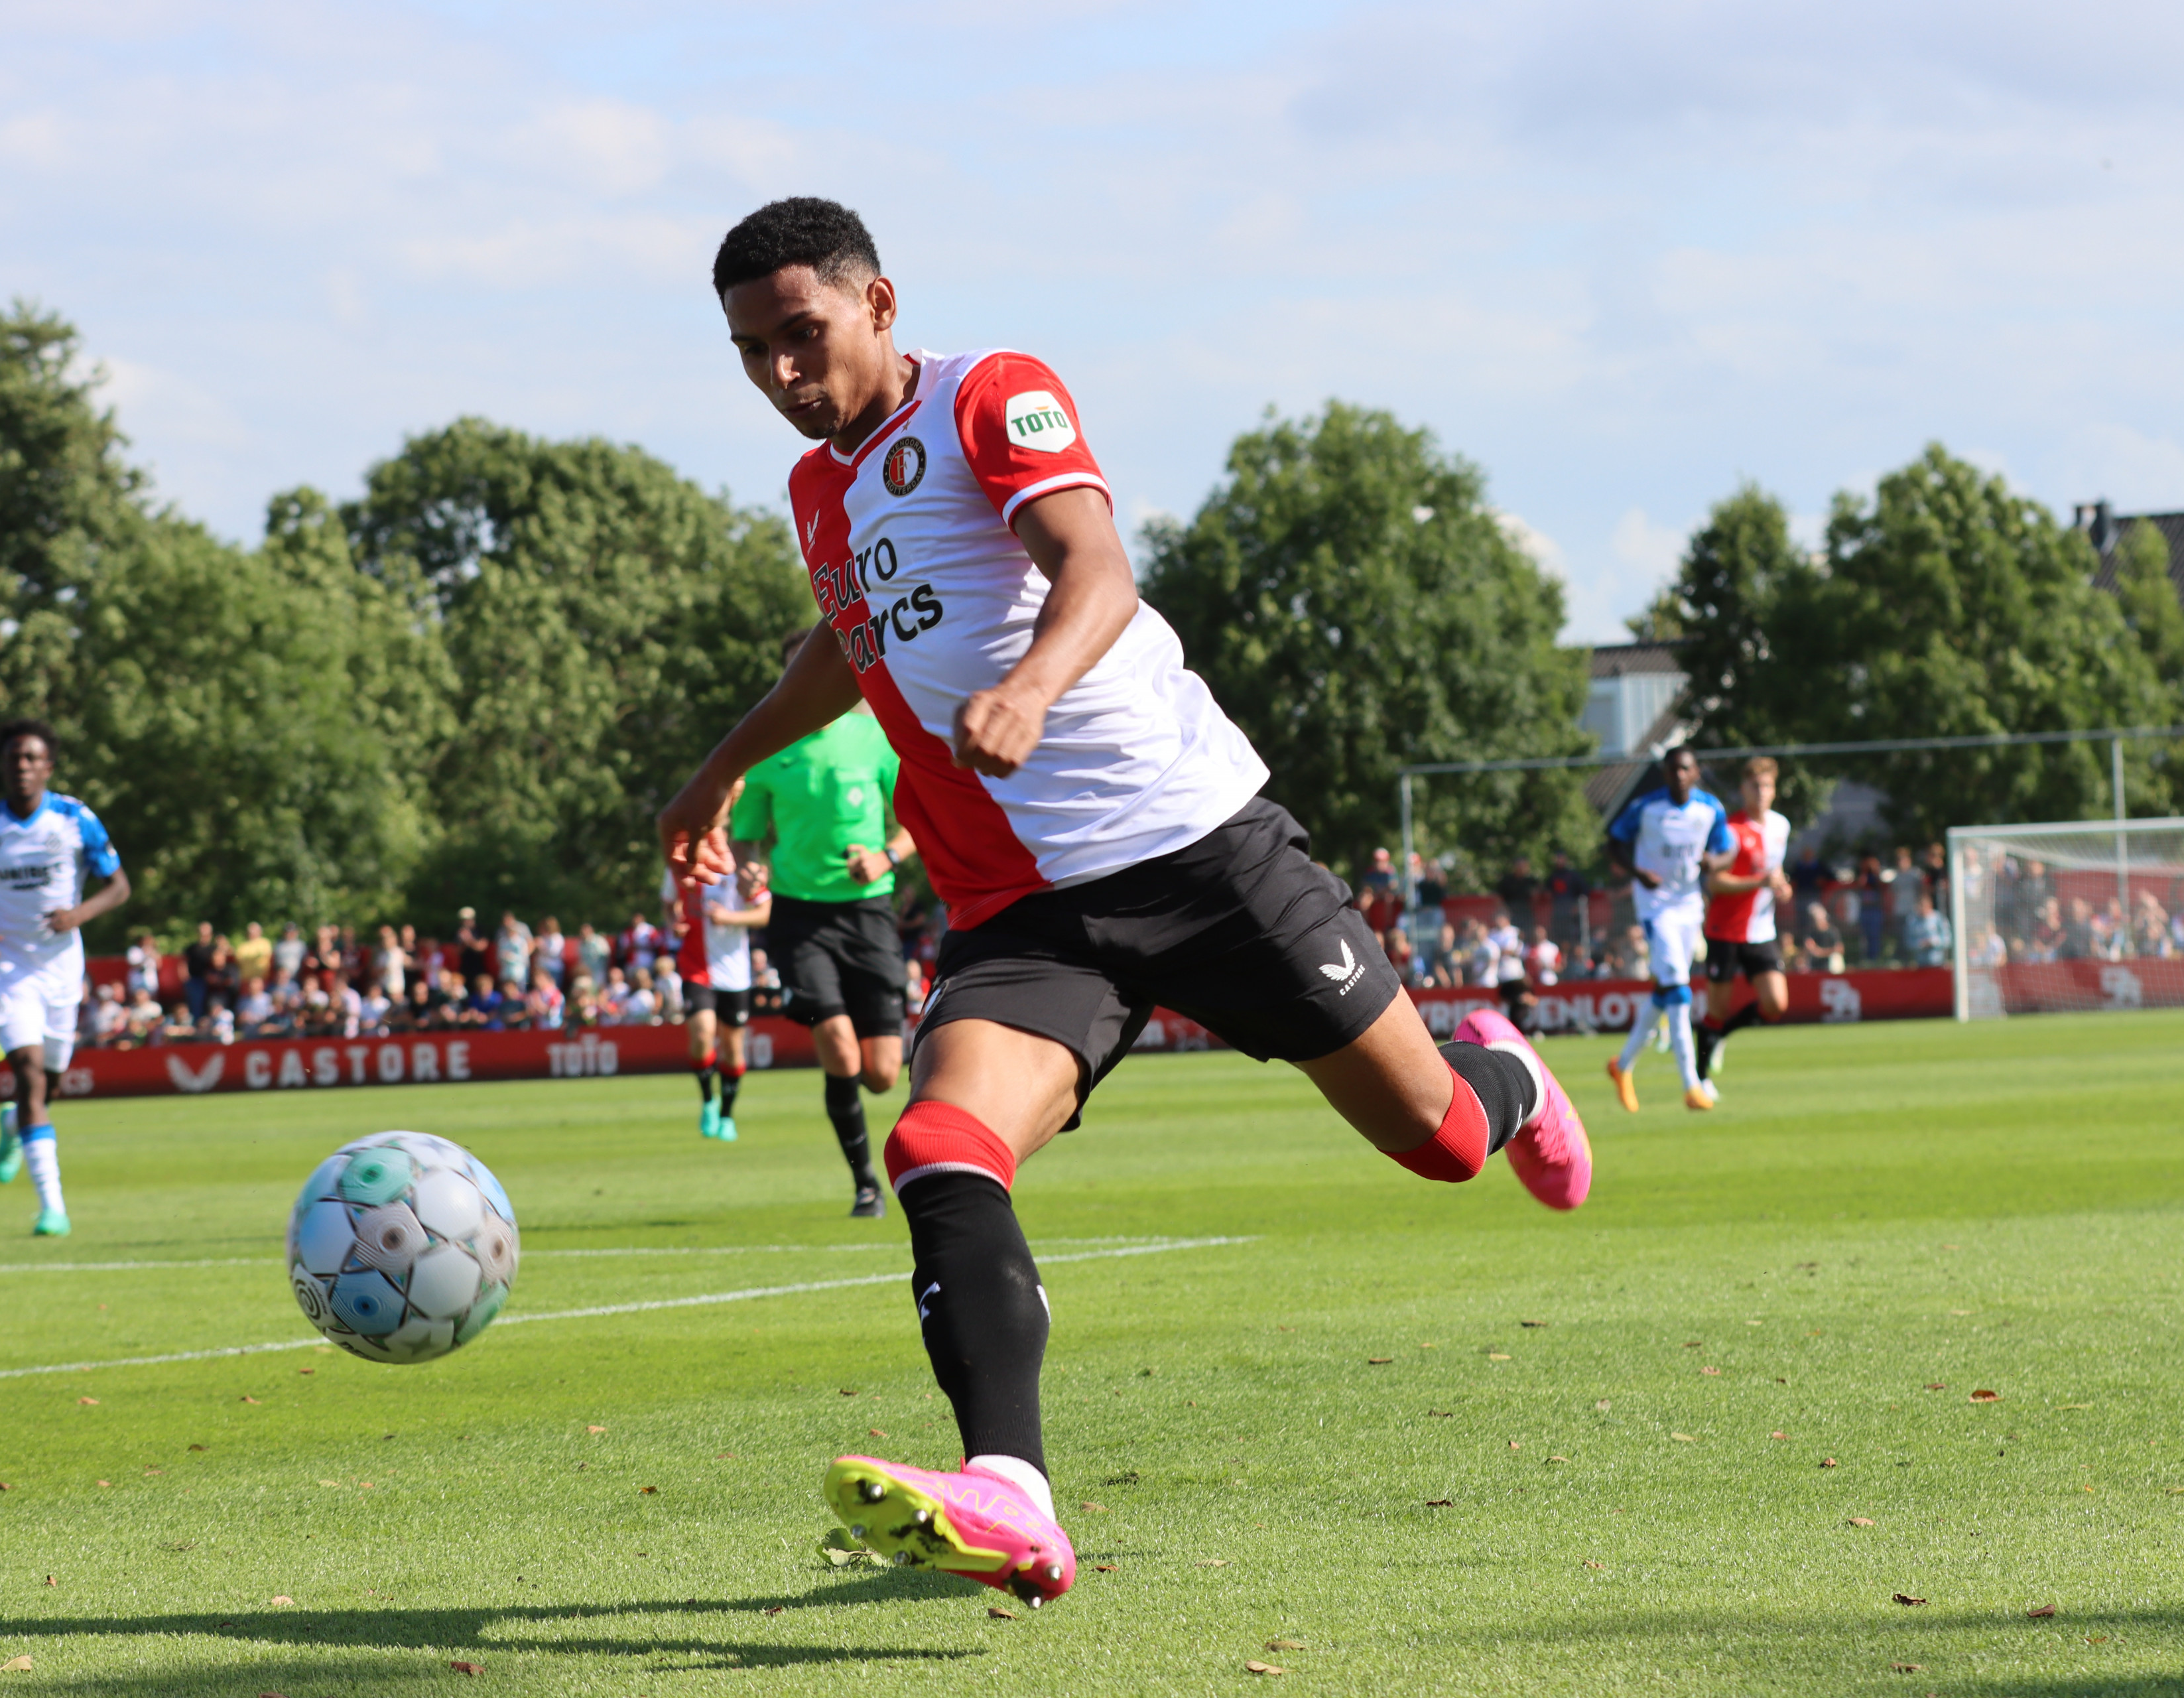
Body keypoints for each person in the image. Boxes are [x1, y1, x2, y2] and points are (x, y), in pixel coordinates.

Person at [656, 198, 1590, 1606]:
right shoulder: (819, 496)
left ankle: (1504, 1070)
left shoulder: (992, 393)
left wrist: (1028, 687)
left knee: (1442, 1140)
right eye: (752, 352)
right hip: (1019, 907)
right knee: (939, 1136)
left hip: (1198, 849)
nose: (784, 374)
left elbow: (1094, 563)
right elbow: (845, 654)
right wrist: (717, 770)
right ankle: (1013, 1492)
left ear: (881, 304)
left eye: (805, 335)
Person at [728, 627, 921, 1218]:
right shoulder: (766, 750)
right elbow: (746, 838)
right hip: (798, 918)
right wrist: (748, 869)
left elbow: (918, 821)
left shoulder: (875, 738)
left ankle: (878, 1162)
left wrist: (886, 855)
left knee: (884, 1074)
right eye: (795, 673)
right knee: (839, 1046)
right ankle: (866, 1184)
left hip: (868, 914)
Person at [0, 720, 131, 1237]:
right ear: (5, 767)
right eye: (14, 759)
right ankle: (53, 1208)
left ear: (48, 767)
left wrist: (80, 913)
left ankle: (12, 1125)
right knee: (29, 1075)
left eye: (32, 759)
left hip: (61, 967)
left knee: (47, 1082)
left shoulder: (75, 819)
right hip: (8, 969)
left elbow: (119, 886)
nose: (22, 767)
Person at [1602, 747, 1734, 1114]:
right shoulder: (1646, 807)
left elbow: (1727, 851)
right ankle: (1692, 1085)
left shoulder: (1711, 808)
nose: (1679, 775)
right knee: (1678, 985)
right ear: (1665, 772)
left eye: (1686, 769)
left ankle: (1623, 1065)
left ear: (1696, 773)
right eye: (1673, 769)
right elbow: (1613, 842)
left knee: (1666, 989)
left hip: (1689, 906)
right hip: (1655, 907)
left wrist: (1714, 862)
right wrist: (1637, 873)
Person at [1695, 756, 1794, 1082]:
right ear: (1743, 790)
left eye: (1767, 785)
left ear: (1774, 790)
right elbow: (1714, 883)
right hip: (1725, 930)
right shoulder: (1731, 831)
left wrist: (1781, 886)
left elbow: (1774, 871)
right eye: (1755, 786)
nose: (1761, 792)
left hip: (1762, 931)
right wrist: (1760, 882)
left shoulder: (1781, 826)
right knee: (1716, 1010)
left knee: (1776, 1004)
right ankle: (1701, 1081)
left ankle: (1723, 1035)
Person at [669, 858, 773, 1140]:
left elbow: (764, 913)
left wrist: (729, 917)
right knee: (702, 1034)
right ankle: (708, 1102)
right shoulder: (679, 867)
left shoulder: (738, 868)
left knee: (732, 1048)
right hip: (696, 969)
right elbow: (670, 906)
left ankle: (727, 1116)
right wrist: (674, 923)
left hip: (735, 975)